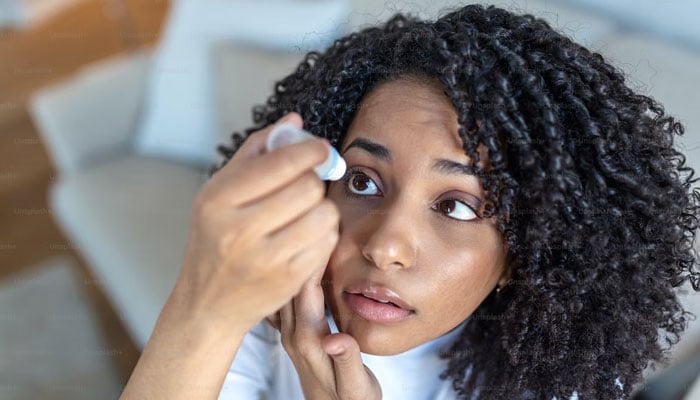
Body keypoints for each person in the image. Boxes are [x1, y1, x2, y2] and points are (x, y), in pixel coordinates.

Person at [119, 4, 700, 399]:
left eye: (457, 206)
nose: (385, 247)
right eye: (364, 182)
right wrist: (204, 307)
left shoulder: (548, 383)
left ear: (521, 257)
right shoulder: (264, 314)